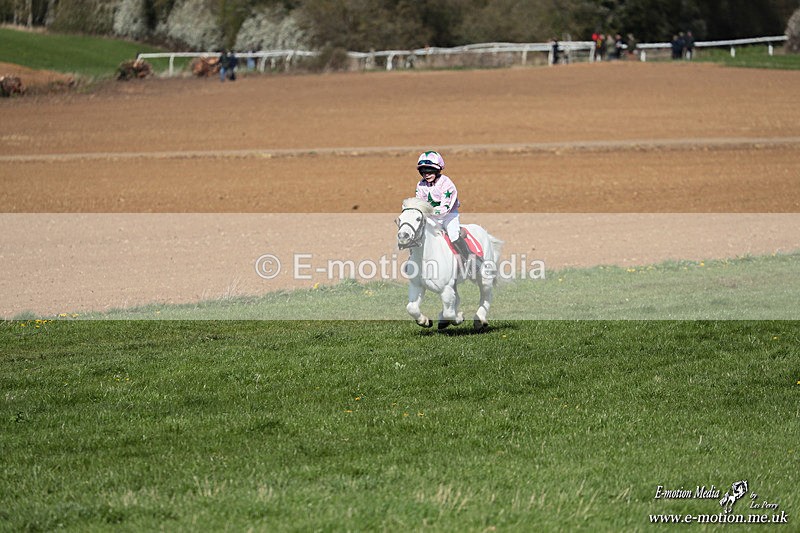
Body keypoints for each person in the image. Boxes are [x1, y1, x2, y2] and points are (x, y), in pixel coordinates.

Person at [414, 151, 471, 264]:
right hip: (431, 217)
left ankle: (470, 261)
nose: (426, 174)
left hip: (449, 216)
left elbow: (445, 209)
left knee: (453, 235)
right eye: (423, 171)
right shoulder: (420, 185)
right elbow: (419, 203)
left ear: (438, 170)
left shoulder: (447, 184)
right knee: (417, 234)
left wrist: (427, 211)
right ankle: (414, 260)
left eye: (430, 171)